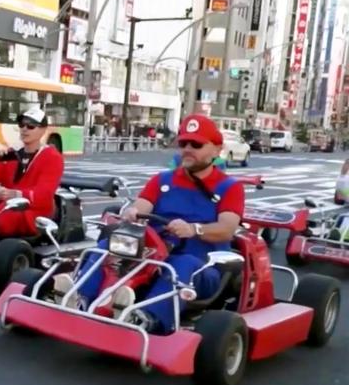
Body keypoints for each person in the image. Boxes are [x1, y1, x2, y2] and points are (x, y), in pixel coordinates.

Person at [54, 114, 246, 334]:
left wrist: (193, 229)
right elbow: (141, 206)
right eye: (183, 143)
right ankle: (80, 299)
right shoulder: (162, 180)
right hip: (154, 252)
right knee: (104, 248)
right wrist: (132, 212)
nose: (188, 149)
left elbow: (227, 229)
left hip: (203, 263)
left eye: (196, 144)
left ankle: (148, 319)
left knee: (180, 266)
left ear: (216, 149)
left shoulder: (229, 188)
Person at [0, 108, 65, 238]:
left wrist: (14, 194)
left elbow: (44, 194)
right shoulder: (13, 154)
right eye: (22, 125)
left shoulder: (52, 157)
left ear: (43, 130)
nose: (25, 129)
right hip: (7, 206)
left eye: (31, 126)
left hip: (34, 212)